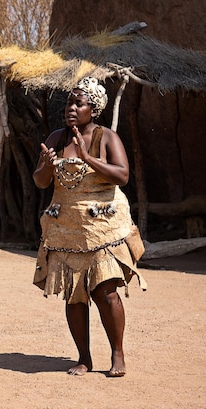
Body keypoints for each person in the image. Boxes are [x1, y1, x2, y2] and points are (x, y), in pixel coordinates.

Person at [32, 77, 147, 377]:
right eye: (70, 103)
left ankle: (117, 354)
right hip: (67, 227)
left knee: (106, 291)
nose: (71, 108)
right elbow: (41, 181)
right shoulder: (57, 137)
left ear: (93, 109)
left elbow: (122, 175)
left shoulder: (106, 137)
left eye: (78, 104)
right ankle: (84, 357)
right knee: (74, 295)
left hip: (102, 227)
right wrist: (46, 164)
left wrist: (87, 158)